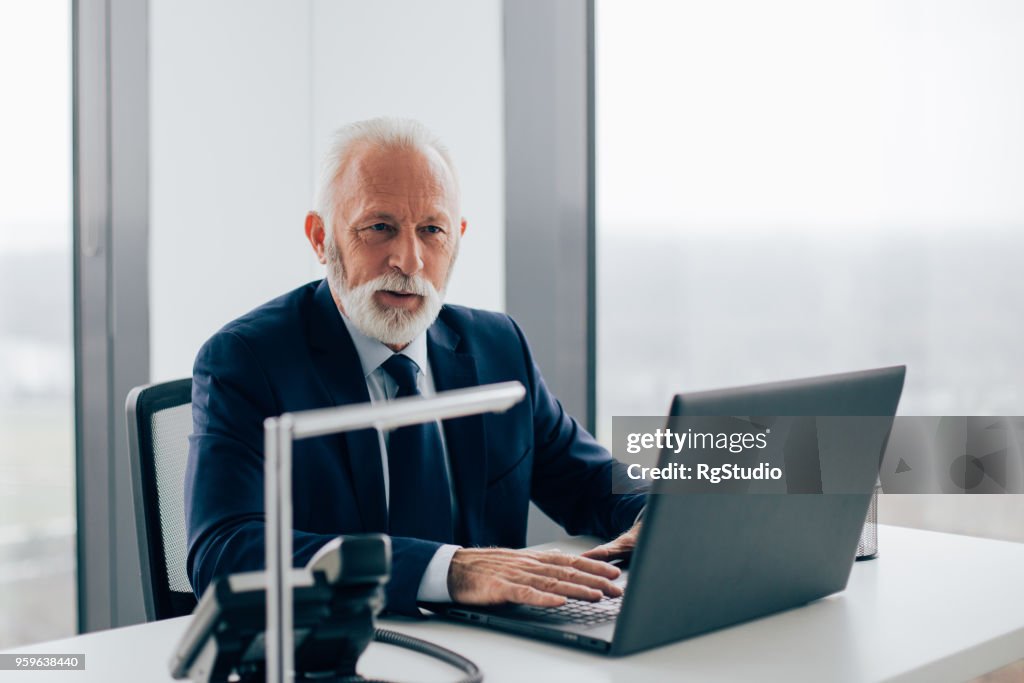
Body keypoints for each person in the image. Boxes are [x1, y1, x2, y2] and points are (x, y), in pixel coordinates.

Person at [185, 117, 646, 616]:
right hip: (341, 648)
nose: (409, 260)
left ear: (457, 239)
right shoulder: (247, 361)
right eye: (380, 228)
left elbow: (593, 482)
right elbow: (225, 552)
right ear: (321, 238)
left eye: (432, 231)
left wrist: (660, 516)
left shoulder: (497, 348)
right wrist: (448, 569)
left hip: (495, 652)